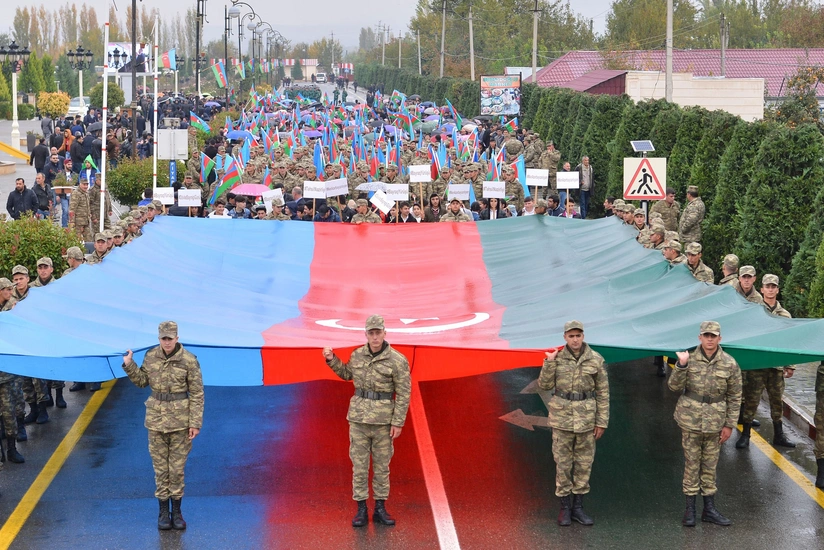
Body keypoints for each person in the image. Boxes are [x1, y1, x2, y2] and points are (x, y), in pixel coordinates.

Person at [322, 315, 411, 527]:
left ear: (384, 333)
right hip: (359, 421)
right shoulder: (357, 355)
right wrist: (331, 359)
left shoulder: (397, 360)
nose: (375, 337)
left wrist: (398, 422)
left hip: (383, 423)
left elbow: (404, 393)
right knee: (359, 467)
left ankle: (380, 508)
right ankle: (361, 509)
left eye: (378, 332)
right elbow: (346, 374)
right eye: (371, 333)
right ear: (366, 334)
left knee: (382, 467)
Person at [122, 321, 204, 531]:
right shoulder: (151, 357)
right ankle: (162, 512)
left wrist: (195, 423)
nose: (167, 342)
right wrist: (129, 364)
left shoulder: (189, 360)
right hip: (156, 421)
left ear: (177, 338)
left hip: (180, 422)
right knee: (160, 469)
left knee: (176, 469)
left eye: (170, 338)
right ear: (159, 339)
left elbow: (197, 393)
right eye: (163, 338)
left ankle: (176, 512)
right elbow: (141, 382)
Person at [669, 321, 741, 527]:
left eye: (713, 336)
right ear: (699, 337)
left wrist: (729, 425)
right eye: (706, 335)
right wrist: (681, 366)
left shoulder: (729, 363)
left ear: (720, 338)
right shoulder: (688, 358)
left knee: (710, 465)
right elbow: (673, 387)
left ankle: (709, 509)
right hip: (690, 420)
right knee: (692, 464)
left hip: (715, 422)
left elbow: (735, 396)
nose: (710, 339)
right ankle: (689, 510)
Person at [538, 320, 609, 526]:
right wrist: (549, 363)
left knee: (584, 464)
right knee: (563, 464)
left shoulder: (595, 359)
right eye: (571, 336)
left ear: (583, 336)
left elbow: (603, 393)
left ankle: (578, 507)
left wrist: (602, 422)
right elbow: (544, 385)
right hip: (562, 419)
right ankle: (564, 508)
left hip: (586, 419)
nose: (575, 339)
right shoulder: (557, 359)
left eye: (578, 335)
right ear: (565, 338)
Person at [735, 274, 796, 450]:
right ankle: (745, 435)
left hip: (776, 367)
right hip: (757, 365)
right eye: (767, 287)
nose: (770, 289)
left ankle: (779, 435)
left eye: (773, 287)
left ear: (777, 289)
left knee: (777, 402)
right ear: (762, 289)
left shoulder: (784, 315)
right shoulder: (754, 311)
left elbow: (790, 340)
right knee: (751, 401)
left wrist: (790, 365)